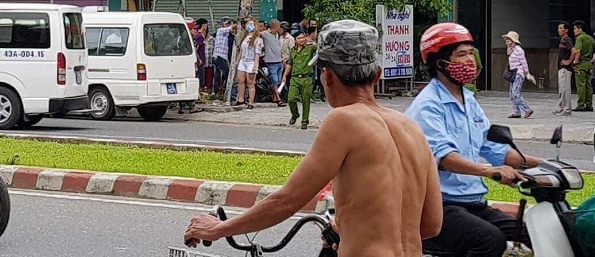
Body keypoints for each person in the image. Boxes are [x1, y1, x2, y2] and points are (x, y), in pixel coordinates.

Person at [185, 20, 442, 257]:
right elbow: (431, 224)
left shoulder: (344, 120)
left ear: (327, 76)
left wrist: (217, 228)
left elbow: (287, 200)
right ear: (377, 75)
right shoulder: (411, 128)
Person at [406, 23, 543, 257]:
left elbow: (494, 148)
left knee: (537, 232)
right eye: (461, 54)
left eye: (471, 53)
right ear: (440, 63)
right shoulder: (427, 106)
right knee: (490, 240)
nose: (469, 60)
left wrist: (543, 165)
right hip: (439, 206)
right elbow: (445, 157)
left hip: (474, 204)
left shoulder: (469, 100)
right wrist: (488, 172)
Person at [284, 28, 316, 128]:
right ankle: (295, 114)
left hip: (306, 78)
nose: (302, 40)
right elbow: (290, 64)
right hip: (295, 78)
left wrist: (313, 42)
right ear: (295, 40)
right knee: (291, 99)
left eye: (303, 37)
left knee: (306, 100)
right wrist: (284, 76)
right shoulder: (293, 51)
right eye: (299, 38)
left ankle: (304, 121)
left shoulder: (310, 48)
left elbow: (320, 49)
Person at [502, 32, 533, 119]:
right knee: (511, 94)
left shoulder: (519, 50)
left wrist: (527, 73)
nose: (507, 42)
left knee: (515, 93)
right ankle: (516, 112)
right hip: (513, 73)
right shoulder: (511, 49)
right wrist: (509, 48)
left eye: (509, 40)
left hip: (518, 73)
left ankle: (527, 109)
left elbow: (524, 62)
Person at [234, 19, 262, 109]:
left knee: (250, 83)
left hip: (251, 62)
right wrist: (237, 61)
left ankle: (251, 102)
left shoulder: (258, 40)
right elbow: (241, 51)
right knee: (240, 81)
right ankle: (241, 98)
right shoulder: (244, 37)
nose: (249, 26)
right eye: (248, 24)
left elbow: (257, 54)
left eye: (251, 24)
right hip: (243, 61)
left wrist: (255, 66)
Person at [180, 20, 206, 114]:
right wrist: (197, 60)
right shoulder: (188, 40)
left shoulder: (183, 38)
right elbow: (194, 50)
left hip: (183, 64)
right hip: (188, 65)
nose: (195, 30)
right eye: (193, 29)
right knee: (190, 83)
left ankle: (183, 106)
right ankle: (191, 106)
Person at [572, 20, 595, 112]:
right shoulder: (590, 38)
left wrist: (575, 61)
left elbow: (578, 50)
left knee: (581, 85)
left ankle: (581, 104)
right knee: (589, 85)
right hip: (588, 64)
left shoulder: (580, 38)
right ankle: (589, 104)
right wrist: (591, 60)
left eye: (575, 29)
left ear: (579, 29)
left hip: (581, 64)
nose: (574, 31)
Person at [260, 20, 285, 107]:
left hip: (279, 60)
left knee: (278, 80)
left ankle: (274, 96)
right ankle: (278, 98)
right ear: (275, 26)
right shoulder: (266, 34)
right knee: (274, 80)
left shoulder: (278, 35)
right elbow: (258, 34)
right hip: (271, 61)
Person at [555, 22, 575, 116]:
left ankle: (567, 109)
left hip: (565, 68)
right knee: (561, 89)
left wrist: (569, 61)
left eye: (561, 28)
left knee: (565, 89)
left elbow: (574, 51)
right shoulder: (562, 40)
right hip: (560, 67)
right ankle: (561, 107)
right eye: (559, 28)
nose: (559, 30)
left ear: (566, 30)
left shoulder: (567, 40)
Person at [212, 19, 234, 98]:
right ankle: (220, 92)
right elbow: (231, 28)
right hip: (219, 57)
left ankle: (218, 92)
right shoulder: (220, 31)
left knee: (218, 75)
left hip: (222, 57)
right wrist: (234, 24)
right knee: (226, 74)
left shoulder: (227, 35)